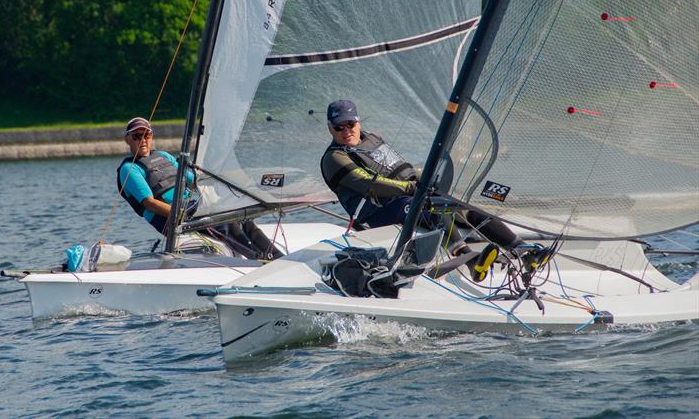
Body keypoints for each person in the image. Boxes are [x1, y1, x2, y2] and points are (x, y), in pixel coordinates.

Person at [320, 100, 552, 282]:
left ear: (359, 122)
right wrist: (415, 188)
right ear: (330, 129)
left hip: (405, 197)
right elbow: (369, 183)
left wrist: (429, 182)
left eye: (350, 124)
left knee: (463, 208)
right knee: (429, 205)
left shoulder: (373, 138)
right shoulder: (334, 158)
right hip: (375, 212)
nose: (346, 131)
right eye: (339, 127)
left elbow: (404, 169)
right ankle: (469, 259)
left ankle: (522, 249)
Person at [117, 117, 280, 259]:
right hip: (169, 218)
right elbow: (149, 203)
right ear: (127, 139)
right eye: (137, 136)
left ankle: (275, 256)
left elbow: (194, 181)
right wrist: (181, 214)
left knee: (241, 218)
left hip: (192, 207)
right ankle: (259, 259)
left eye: (147, 135)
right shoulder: (130, 169)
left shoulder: (163, 156)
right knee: (225, 225)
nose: (143, 140)